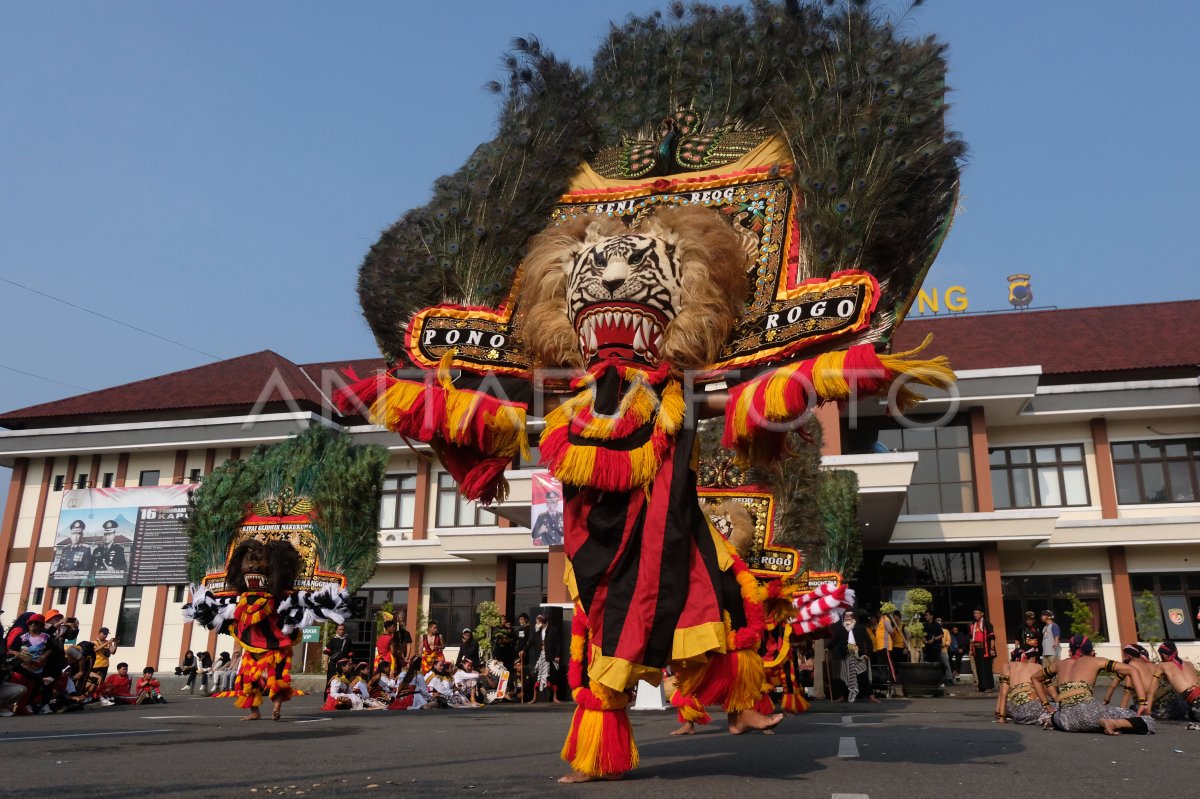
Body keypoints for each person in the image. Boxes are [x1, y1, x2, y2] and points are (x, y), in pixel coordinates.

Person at [1033, 635, 1153, 735]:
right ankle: (1113, 723)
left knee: (1053, 715)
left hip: (1064, 719)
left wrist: (1046, 705)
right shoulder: (1096, 661)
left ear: (1070, 651)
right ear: (1091, 651)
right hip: (1089, 714)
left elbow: (1035, 678)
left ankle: (1051, 720)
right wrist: (1142, 702)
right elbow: (1133, 670)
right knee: (1147, 721)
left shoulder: (1058, 664)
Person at [7, 613, 53, 713]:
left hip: (36, 668)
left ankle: (21, 708)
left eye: (36, 623)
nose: (33, 624)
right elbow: (11, 650)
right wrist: (21, 656)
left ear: (41, 625)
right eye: (30, 623)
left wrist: (42, 657)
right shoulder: (21, 635)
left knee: (29, 689)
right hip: (21, 667)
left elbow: (50, 649)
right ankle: (9, 708)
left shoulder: (46, 637)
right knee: (17, 688)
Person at [996, 644, 1053, 725]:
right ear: (1032, 657)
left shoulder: (1008, 666)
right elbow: (1051, 692)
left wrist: (1001, 717)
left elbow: (1003, 693)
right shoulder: (1037, 667)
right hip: (1035, 706)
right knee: (1057, 709)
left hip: (1017, 712)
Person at [831, 610, 878, 704]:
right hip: (846, 656)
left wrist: (867, 655)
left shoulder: (860, 628)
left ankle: (871, 696)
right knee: (844, 676)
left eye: (849, 617)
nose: (847, 618)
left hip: (858, 656)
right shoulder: (841, 630)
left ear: (853, 618)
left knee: (863, 675)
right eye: (846, 617)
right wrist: (827, 648)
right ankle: (843, 696)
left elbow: (869, 642)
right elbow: (834, 641)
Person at [1155, 641, 1200, 721]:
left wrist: (1144, 704)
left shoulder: (1162, 665)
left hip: (1196, 701)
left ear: (1164, 655)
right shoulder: (1189, 663)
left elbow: (1152, 689)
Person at [529, 613, 561, 704]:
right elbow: (531, 642)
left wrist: (557, 656)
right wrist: (523, 650)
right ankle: (534, 698)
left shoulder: (552, 630)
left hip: (550, 657)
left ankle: (554, 698)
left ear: (542, 622)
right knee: (537, 677)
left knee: (552, 678)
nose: (536, 623)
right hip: (540, 657)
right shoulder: (537, 632)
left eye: (537, 621)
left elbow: (558, 644)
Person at [969, 607, 996, 692]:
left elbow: (992, 637)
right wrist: (970, 649)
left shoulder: (987, 624)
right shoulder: (973, 624)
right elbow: (971, 639)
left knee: (986, 668)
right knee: (979, 668)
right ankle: (981, 686)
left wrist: (992, 649)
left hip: (985, 649)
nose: (975, 615)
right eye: (974, 613)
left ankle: (989, 686)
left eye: (977, 613)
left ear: (982, 614)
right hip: (976, 649)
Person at [322, 623, 353, 693]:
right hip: (333, 665)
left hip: (344, 666)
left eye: (343, 629)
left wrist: (350, 664)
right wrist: (326, 665)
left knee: (344, 682)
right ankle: (328, 698)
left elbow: (350, 654)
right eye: (340, 629)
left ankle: (342, 698)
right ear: (336, 630)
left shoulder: (348, 640)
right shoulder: (332, 640)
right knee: (330, 681)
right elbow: (327, 653)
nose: (342, 631)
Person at [922, 611, 948, 685]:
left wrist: (934, 639)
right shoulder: (925, 625)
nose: (926, 617)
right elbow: (922, 634)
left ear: (931, 616)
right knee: (928, 664)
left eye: (927, 615)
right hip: (928, 647)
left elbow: (942, 635)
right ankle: (930, 681)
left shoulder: (936, 624)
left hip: (935, 647)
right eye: (925, 616)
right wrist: (923, 639)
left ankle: (939, 681)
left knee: (936, 664)